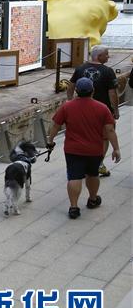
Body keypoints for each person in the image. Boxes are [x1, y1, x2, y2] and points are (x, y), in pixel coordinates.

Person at [48, 78, 121, 219]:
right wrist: (116, 148)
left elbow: (55, 125)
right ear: (93, 91)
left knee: (74, 176)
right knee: (93, 174)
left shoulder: (67, 107)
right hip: (95, 149)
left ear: (76, 91)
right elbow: (110, 130)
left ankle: (74, 207)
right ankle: (93, 199)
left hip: (73, 149)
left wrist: (50, 141)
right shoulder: (102, 108)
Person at [68, 45, 119, 177]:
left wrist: (69, 102)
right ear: (99, 56)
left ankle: (83, 162)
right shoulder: (108, 71)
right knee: (104, 137)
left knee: (84, 135)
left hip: (81, 110)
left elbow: (71, 86)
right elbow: (113, 93)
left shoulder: (80, 69)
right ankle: (98, 164)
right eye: (106, 54)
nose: (108, 56)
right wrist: (115, 110)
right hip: (103, 111)